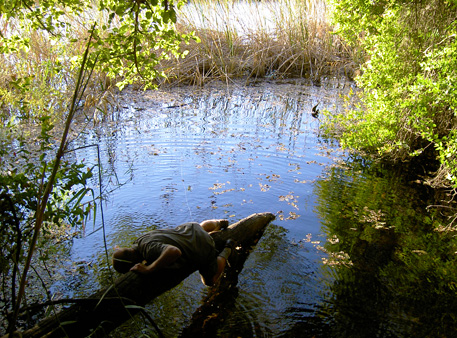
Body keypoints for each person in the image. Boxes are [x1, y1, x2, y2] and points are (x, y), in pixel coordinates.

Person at [112, 219, 234, 286]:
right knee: (199, 228)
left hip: (204, 246)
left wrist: (149, 269)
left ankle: (227, 249)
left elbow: (174, 251)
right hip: (191, 227)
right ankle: (219, 223)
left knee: (209, 281)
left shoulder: (148, 251)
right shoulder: (139, 241)